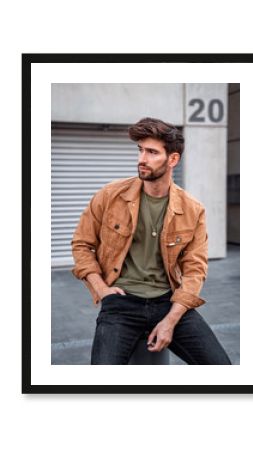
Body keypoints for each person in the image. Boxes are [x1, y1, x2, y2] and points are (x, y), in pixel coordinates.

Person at [71, 117, 231, 365]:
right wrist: (103, 291)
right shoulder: (110, 195)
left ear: (173, 160)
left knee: (221, 367)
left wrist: (171, 320)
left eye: (152, 152)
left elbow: (194, 270)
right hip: (121, 303)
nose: (141, 159)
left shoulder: (193, 210)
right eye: (140, 150)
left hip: (169, 302)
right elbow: (82, 244)